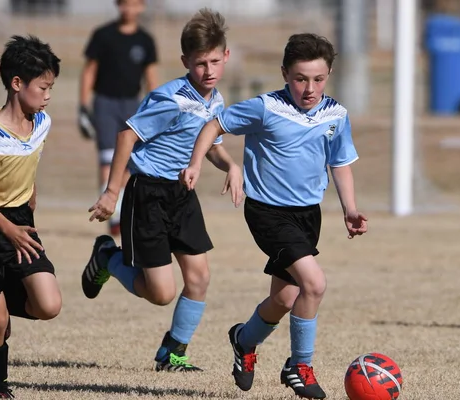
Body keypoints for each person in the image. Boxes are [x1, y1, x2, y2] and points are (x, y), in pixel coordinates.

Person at [182, 33, 368, 399]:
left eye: (318, 79)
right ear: (285, 74)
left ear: (329, 74)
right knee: (313, 284)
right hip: (268, 213)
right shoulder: (265, 108)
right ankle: (299, 366)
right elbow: (214, 125)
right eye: (300, 79)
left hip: (307, 216)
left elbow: (340, 163)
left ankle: (244, 340)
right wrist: (196, 163)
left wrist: (350, 208)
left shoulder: (336, 115)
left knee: (285, 299)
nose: (309, 88)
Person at [81, 8, 243, 372]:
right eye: (200, 63)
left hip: (182, 194)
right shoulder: (170, 98)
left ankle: (172, 354)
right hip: (148, 194)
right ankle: (108, 256)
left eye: (215, 61)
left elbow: (208, 143)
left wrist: (231, 165)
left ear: (226, 56)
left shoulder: (215, 99)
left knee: (200, 277)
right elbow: (127, 135)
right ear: (186, 61)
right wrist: (112, 192)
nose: (209, 70)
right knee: (160, 293)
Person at [0, 35, 62, 398]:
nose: (47, 95)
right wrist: (8, 230)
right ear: (17, 84)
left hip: (20, 222)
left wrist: (30, 199)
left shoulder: (42, 122)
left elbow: (30, 164)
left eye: (51, 87)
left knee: (49, 304)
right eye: (43, 87)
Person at [79, 0, 159, 236]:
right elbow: (89, 71)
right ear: (118, 5)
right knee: (107, 158)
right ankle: (111, 217)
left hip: (133, 105)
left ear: (142, 6)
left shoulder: (145, 40)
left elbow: (151, 78)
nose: (129, 9)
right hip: (104, 103)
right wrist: (83, 106)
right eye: (124, 4)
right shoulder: (103, 35)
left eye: (134, 4)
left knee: (129, 162)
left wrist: (156, 110)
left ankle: (120, 206)